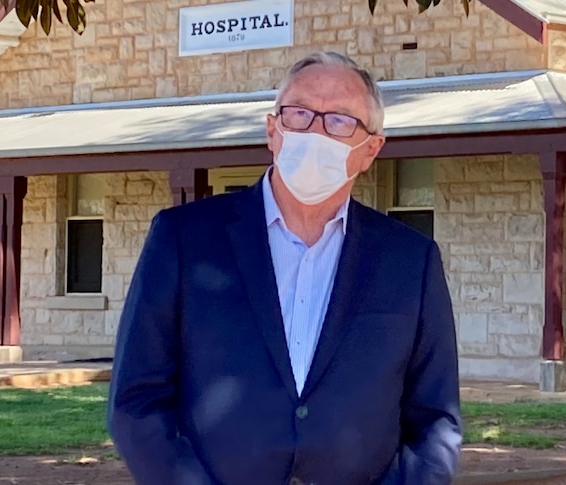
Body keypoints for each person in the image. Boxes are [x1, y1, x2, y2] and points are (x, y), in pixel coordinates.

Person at [107, 51, 462, 485]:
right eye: (299, 114)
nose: (315, 131)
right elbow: (136, 401)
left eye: (340, 121)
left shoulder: (411, 261)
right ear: (272, 129)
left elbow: (435, 421)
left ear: (371, 149)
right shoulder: (183, 239)